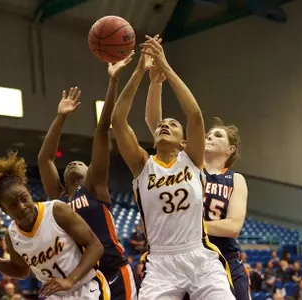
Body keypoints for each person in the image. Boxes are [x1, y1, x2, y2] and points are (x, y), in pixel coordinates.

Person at [110, 34, 235, 299]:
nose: (165, 125)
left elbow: (195, 115)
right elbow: (118, 121)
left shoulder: (191, 158)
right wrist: (140, 71)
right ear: (154, 139)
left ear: (184, 142)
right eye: (161, 125)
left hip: (199, 256)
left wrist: (165, 66)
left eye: (173, 125)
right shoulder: (143, 165)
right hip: (160, 263)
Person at [144, 47, 250, 300]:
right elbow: (154, 123)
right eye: (209, 134)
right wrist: (156, 84)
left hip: (224, 255)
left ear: (230, 149)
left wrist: (188, 225)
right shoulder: (188, 164)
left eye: (218, 136)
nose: (210, 137)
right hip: (187, 255)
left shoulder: (235, 179)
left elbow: (233, 226)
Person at [38, 55, 138, 300]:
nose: (73, 162)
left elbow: (102, 131)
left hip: (113, 272)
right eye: (70, 163)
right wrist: (60, 117)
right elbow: (45, 159)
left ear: (89, 172)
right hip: (82, 282)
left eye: (81, 162)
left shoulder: (94, 187)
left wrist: (113, 81)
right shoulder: (59, 200)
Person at [0, 151, 109, 299]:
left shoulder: (56, 211)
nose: (21, 206)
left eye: (24, 198)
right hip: (54, 296)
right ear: (5, 211)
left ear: (29, 193)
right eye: (13, 205)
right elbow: (21, 271)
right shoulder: (12, 236)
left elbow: (95, 246)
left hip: (87, 288)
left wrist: (69, 281)